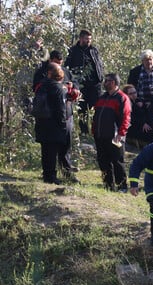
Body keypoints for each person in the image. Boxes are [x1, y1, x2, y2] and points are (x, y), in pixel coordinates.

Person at [33, 50, 81, 182]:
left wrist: (73, 88)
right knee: (51, 148)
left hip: (65, 113)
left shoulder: (65, 71)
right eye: (57, 63)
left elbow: (75, 82)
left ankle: (66, 172)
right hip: (54, 116)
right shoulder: (42, 73)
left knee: (65, 146)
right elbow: (36, 88)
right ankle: (50, 175)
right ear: (51, 61)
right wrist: (63, 88)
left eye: (61, 63)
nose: (59, 66)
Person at [91, 73, 131, 192]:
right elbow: (96, 115)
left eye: (107, 81)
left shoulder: (122, 98)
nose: (105, 83)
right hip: (100, 135)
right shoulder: (102, 97)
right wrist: (94, 130)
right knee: (103, 161)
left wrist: (121, 133)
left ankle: (122, 186)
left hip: (115, 136)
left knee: (117, 161)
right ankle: (108, 184)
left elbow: (126, 118)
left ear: (113, 82)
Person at [65, 29, 104, 135]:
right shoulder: (73, 51)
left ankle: (96, 130)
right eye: (87, 39)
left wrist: (101, 77)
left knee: (97, 108)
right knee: (82, 109)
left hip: (95, 85)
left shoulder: (94, 50)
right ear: (81, 38)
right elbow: (68, 67)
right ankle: (84, 132)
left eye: (90, 39)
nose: (89, 41)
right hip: (81, 85)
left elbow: (99, 65)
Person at [34, 62, 67, 185]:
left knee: (45, 150)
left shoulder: (41, 85)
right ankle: (51, 176)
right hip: (54, 124)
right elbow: (61, 109)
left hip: (42, 122)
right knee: (52, 151)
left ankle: (46, 174)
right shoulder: (58, 88)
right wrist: (63, 124)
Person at [127, 49, 153, 134]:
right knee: (142, 123)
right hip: (141, 102)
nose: (149, 62)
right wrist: (137, 100)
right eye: (147, 60)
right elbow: (130, 87)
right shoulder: (135, 71)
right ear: (142, 61)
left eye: (151, 59)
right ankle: (143, 141)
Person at [122, 84, 153, 149]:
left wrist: (143, 106)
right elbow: (131, 118)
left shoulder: (140, 101)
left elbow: (147, 114)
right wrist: (142, 123)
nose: (134, 95)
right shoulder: (126, 104)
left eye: (135, 92)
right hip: (134, 128)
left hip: (145, 126)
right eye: (131, 93)